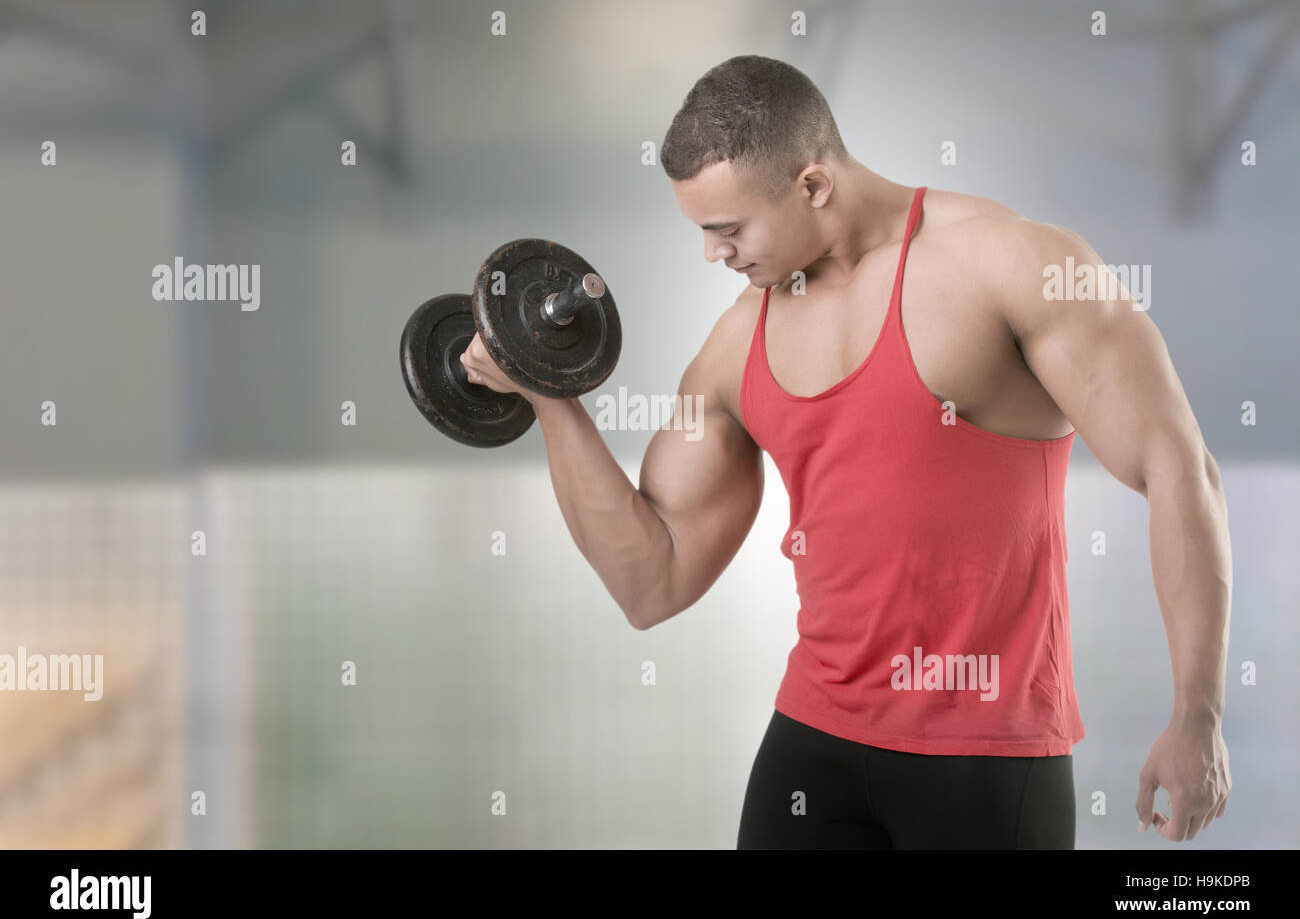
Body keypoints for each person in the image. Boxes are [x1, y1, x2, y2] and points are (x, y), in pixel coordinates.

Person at [459, 55, 1232, 849]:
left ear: (813, 185)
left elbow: (1178, 467)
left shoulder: (1014, 264)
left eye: (729, 230)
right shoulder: (735, 344)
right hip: (814, 746)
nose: (714, 255)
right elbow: (650, 582)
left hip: (986, 756)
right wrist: (549, 395)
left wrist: (1198, 715)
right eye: (703, 232)